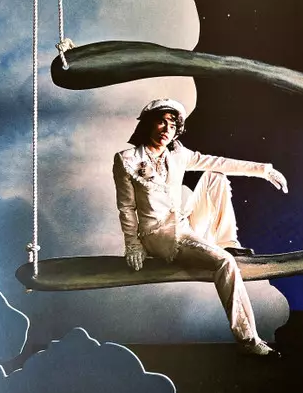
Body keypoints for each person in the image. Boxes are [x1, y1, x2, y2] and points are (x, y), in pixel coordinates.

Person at [113, 98, 288, 357]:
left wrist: (264, 170)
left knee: (215, 176)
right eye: (161, 122)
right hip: (159, 235)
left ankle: (227, 242)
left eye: (173, 126)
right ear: (148, 124)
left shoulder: (178, 154)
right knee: (225, 263)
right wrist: (133, 245)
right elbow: (126, 207)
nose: (166, 129)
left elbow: (218, 162)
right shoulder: (126, 159)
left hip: (184, 224)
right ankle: (249, 339)